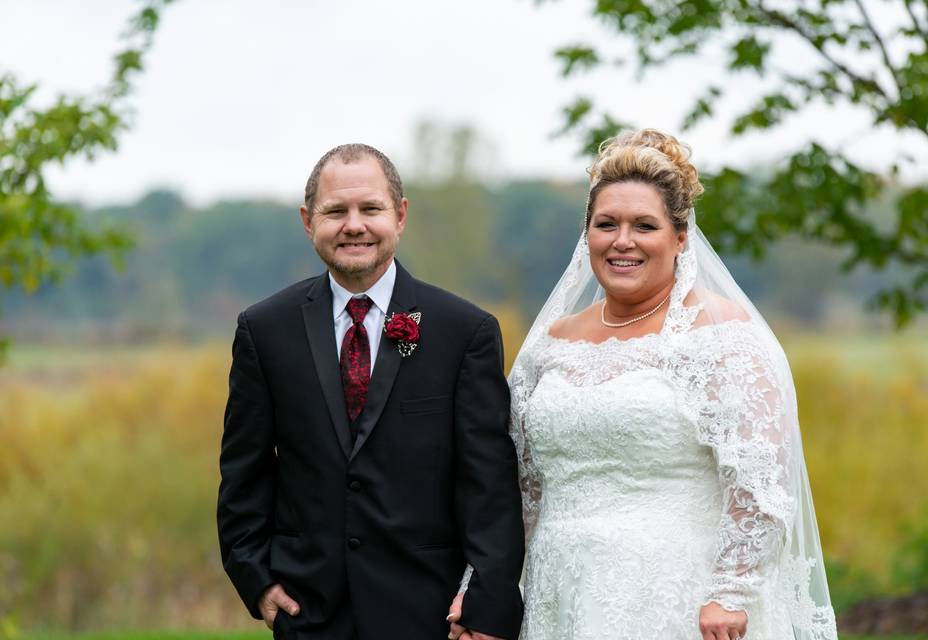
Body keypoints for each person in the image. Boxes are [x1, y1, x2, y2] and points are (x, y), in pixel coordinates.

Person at [453, 129, 837, 640]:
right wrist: (485, 587)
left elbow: (762, 482)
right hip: (558, 596)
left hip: (677, 599)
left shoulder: (723, 337)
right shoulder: (549, 345)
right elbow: (518, 490)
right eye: (606, 224)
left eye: (644, 225)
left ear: (680, 238)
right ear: (586, 234)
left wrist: (732, 591)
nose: (622, 241)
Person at [217, 143, 525, 640]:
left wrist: (487, 602)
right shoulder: (264, 330)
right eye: (335, 211)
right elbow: (244, 471)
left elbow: (487, 483)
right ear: (307, 220)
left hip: (432, 615)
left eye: (370, 209)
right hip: (308, 613)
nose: (353, 225)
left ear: (400, 216)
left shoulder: (464, 331)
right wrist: (255, 580)